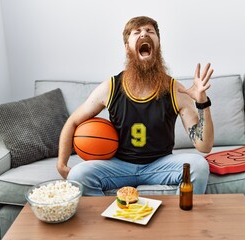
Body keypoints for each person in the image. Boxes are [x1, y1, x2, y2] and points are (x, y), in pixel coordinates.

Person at [57, 16, 214, 196]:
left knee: (199, 165)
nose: (144, 34)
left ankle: (181, 220)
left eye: (150, 31)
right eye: (136, 32)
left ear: (158, 45)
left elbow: (204, 147)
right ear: (127, 47)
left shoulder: (175, 90)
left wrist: (202, 102)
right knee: (78, 174)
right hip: (119, 166)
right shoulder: (111, 87)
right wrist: (61, 164)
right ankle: (110, 217)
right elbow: (73, 122)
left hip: (160, 165)